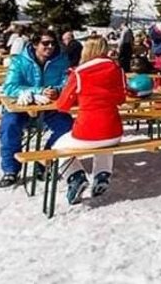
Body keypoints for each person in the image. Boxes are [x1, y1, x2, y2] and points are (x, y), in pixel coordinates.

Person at [51, 35, 126, 204]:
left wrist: (80, 97)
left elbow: (62, 105)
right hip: (114, 130)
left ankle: (75, 176)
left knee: (57, 147)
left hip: (88, 130)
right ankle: (102, 175)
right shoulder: (117, 68)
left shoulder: (79, 73)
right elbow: (120, 98)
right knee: (105, 142)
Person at [0, 30, 72, 188]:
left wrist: (57, 90)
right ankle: (10, 170)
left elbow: (67, 82)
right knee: (9, 126)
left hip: (49, 108)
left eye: (53, 43)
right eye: (45, 43)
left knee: (67, 127)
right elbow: (9, 87)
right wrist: (37, 91)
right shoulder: (19, 61)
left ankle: (44, 162)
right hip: (21, 106)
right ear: (35, 44)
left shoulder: (61, 60)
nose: (50, 46)